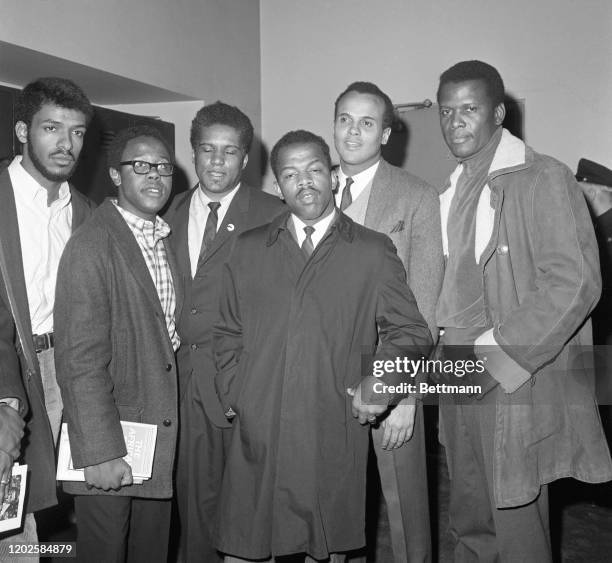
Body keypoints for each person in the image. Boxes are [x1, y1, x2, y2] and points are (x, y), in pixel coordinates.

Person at [212, 130, 432, 562]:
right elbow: (227, 331)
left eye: (314, 170)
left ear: (333, 177)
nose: (304, 182)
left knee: (326, 547)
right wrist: (238, 393)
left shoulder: (371, 250)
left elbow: (409, 332)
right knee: (248, 545)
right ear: (277, 186)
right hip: (262, 428)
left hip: (330, 426)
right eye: (290, 174)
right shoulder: (249, 248)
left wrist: (378, 386)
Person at [435, 60, 612, 561]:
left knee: (514, 519)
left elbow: (576, 282)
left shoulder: (543, 176)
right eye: (446, 112)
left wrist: (496, 356)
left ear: (498, 112)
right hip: (452, 364)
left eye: (468, 109)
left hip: (506, 366)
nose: (454, 123)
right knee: (468, 514)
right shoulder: (453, 186)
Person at [55, 125, 182, 563]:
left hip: (155, 439)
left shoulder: (163, 241)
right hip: (112, 446)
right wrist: (101, 451)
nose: (154, 176)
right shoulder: (92, 244)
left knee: (149, 554)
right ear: (115, 175)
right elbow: (79, 360)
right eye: (140, 166)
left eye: (163, 167)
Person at [164, 101, 284, 561]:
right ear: (192, 153)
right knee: (195, 508)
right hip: (184, 383)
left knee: (255, 511)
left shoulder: (275, 214)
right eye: (207, 150)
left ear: (246, 158)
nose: (217, 161)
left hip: (249, 382)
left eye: (229, 151)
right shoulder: (167, 213)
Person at [333, 81, 443, 562]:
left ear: (386, 134)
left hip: (387, 370)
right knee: (332, 504)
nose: (353, 132)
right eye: (344, 120)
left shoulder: (417, 196)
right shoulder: (305, 186)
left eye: (367, 122)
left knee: (404, 509)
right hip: (319, 370)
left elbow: (425, 305)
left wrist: (408, 395)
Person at [0, 77, 94, 555]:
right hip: (10, 369)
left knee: (32, 506)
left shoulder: (86, 212)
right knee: (8, 511)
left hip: (67, 370)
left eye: (77, 132)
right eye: (52, 128)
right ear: (22, 130)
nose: (66, 144)